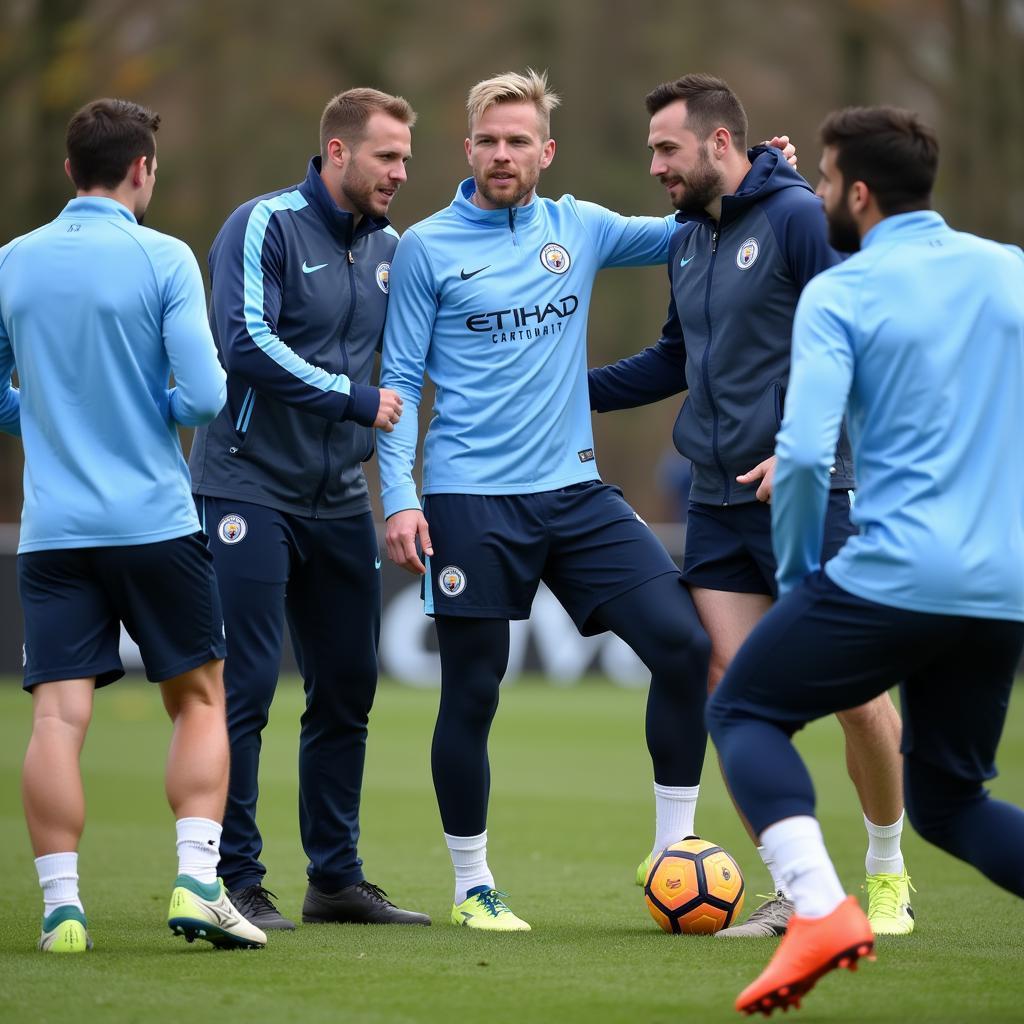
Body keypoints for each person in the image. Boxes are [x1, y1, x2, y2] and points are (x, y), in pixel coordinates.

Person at [379, 68, 794, 931]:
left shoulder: (585, 227)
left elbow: (702, 215)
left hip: (574, 491)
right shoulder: (425, 246)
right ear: (468, 149)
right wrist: (398, 498)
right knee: (473, 692)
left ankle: (671, 847)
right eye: (488, 140)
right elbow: (395, 384)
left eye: (518, 140)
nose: (503, 154)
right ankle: (471, 885)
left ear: (546, 151)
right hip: (468, 498)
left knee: (682, 647)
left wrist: (765, 173)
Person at [706, 105, 1024, 1015]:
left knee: (744, 709)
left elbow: (803, 458)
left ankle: (817, 910)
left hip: (893, 574)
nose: (812, 195)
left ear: (855, 191)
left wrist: (803, 580)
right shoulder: (1009, 272)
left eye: (823, 178)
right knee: (951, 805)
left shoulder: (841, 292)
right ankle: (837, 903)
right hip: (1002, 587)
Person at [588, 74, 912, 938]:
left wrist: (804, 446)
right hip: (718, 501)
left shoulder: (802, 216)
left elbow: (858, 333)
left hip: (810, 495)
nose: (655, 164)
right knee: (731, 695)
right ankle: (802, 892)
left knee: (853, 697)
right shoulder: (689, 239)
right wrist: (563, 392)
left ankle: (887, 873)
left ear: (720, 144)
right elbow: (671, 359)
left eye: (668, 148)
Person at [0, 98, 265, 952]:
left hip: (54, 531)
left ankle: (61, 910)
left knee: (56, 719)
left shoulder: (12, 261)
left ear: (70, 170)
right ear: (143, 168)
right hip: (154, 521)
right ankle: (195, 881)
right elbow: (205, 395)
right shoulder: (163, 257)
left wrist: (41, 414)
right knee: (197, 700)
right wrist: (146, 404)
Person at [188, 88, 429, 930]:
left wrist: (391, 473)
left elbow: (403, 371)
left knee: (348, 688)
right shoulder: (264, 226)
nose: (402, 171)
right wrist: (351, 399)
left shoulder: (395, 248)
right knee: (247, 686)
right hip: (247, 484)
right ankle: (234, 880)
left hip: (336, 499)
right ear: (336, 153)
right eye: (387, 157)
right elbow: (242, 344)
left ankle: (335, 880)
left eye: (406, 156)